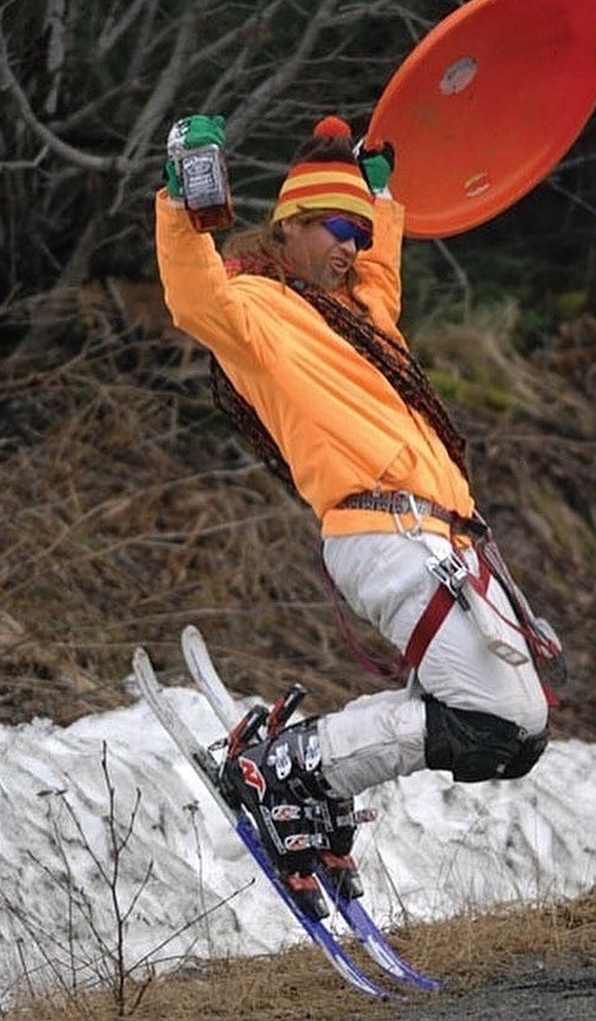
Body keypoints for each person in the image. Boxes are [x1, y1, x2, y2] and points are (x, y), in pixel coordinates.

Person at [155, 114, 561, 917]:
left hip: (447, 540)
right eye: (337, 229)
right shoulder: (257, 309)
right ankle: (292, 767)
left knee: (522, 737)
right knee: (487, 720)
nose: (351, 246)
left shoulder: (364, 320)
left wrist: (383, 198)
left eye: (359, 234)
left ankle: (316, 785)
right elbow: (192, 294)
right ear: (291, 225)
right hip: (383, 533)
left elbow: (383, 271)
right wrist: (182, 199)